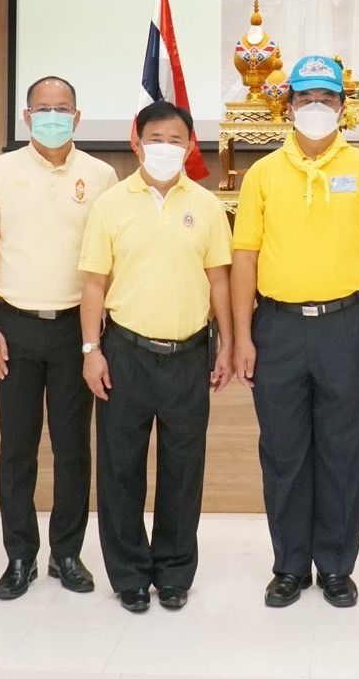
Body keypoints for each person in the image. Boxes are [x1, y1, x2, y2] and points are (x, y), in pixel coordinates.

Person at [231, 54, 359, 609]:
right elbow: (244, 257)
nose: (315, 108)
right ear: (288, 106)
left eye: (326, 99)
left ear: (343, 107)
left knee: (341, 451)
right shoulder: (263, 173)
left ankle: (334, 566)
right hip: (277, 328)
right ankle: (288, 566)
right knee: (282, 451)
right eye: (305, 98)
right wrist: (243, 336)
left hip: (347, 326)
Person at [79, 101, 234, 613]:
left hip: (188, 354)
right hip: (125, 352)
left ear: (190, 147)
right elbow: (94, 284)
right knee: (120, 469)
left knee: (183, 470)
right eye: (155, 139)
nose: (165, 148)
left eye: (175, 140)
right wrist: (91, 350)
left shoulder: (206, 205)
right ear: (136, 142)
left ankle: (173, 572)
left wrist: (228, 343)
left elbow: (219, 280)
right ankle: (128, 574)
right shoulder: (110, 204)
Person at [0, 76, 116, 600]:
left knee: (73, 448)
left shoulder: (100, 175)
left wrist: (97, 336)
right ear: (27, 117)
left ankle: (66, 554)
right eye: (43, 109)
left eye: (62, 108)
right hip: (15, 325)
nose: (53, 116)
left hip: (77, 327)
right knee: (17, 449)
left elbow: (109, 257)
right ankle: (19, 556)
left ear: (77, 117)